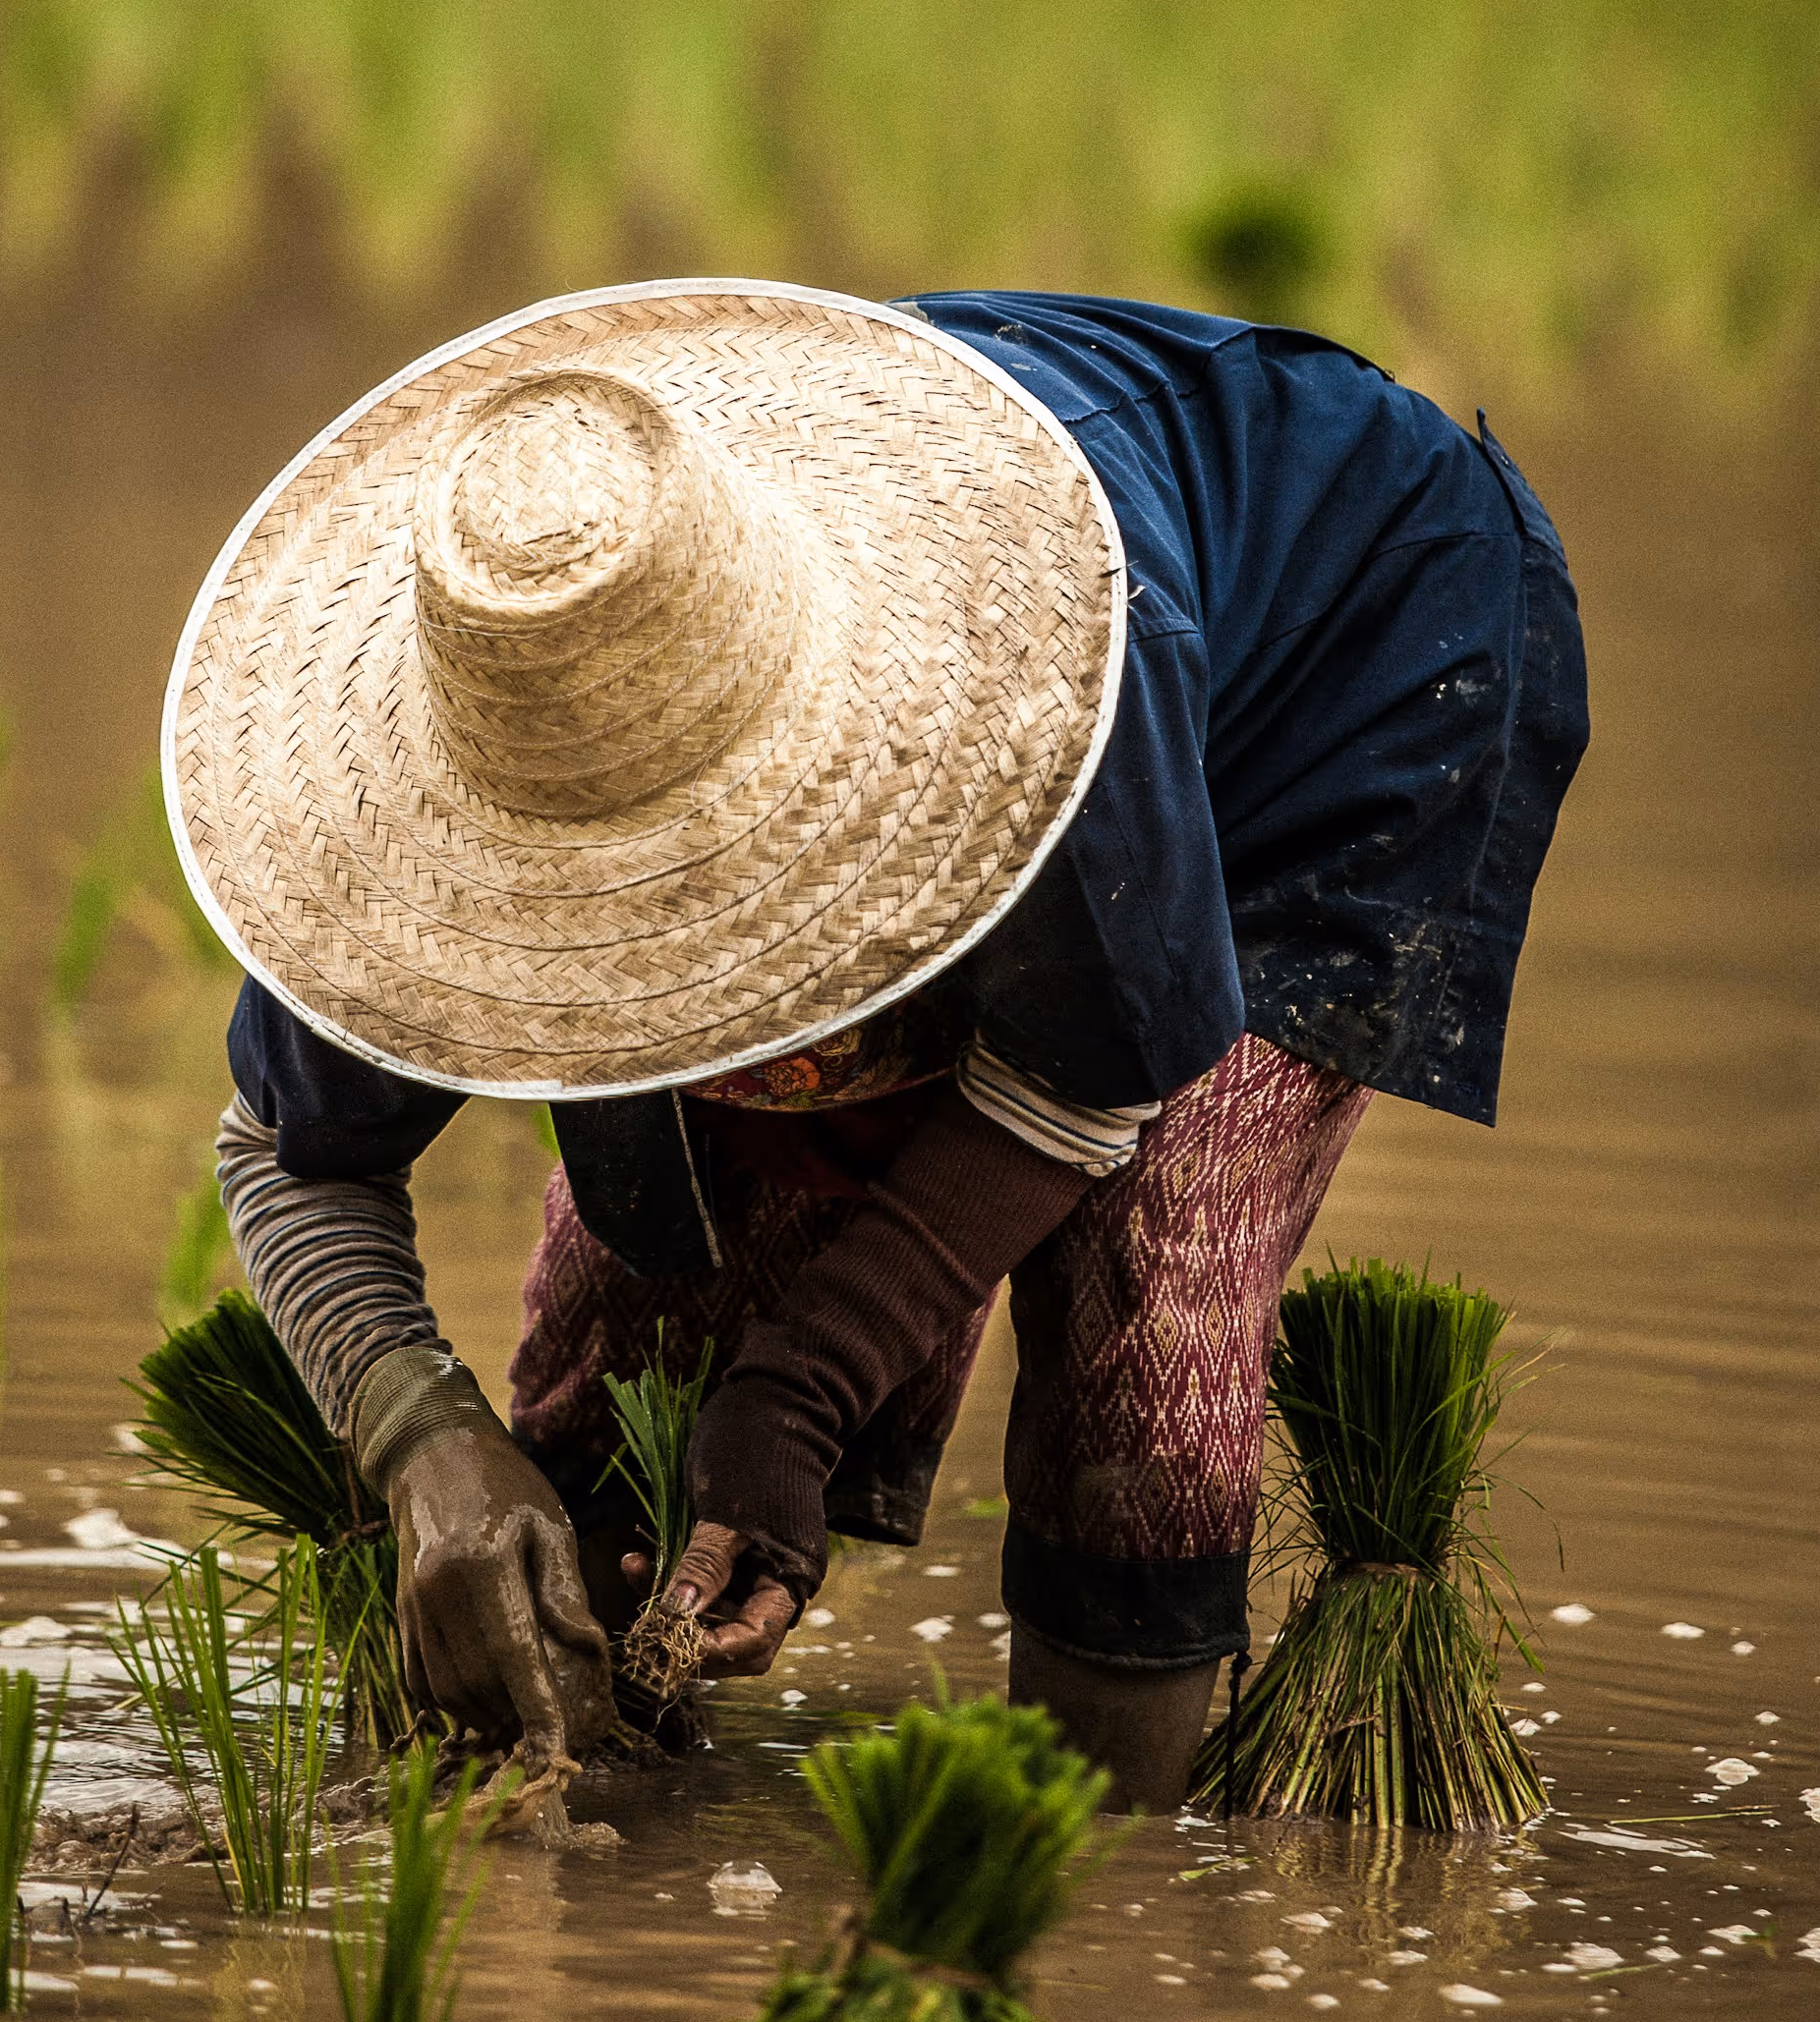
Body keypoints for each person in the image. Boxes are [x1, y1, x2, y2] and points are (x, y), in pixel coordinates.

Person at [166, 281, 1586, 1805]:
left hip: (1342, 653)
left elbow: (1094, 1073)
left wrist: (807, 1390)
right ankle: (604, 1782)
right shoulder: (429, 777)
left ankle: (1088, 1880)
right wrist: (419, 1438)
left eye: (687, 883)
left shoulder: (1042, 692)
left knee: (1149, 1301)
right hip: (909, 653)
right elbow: (285, 1149)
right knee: (649, 1310)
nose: (649, 934)